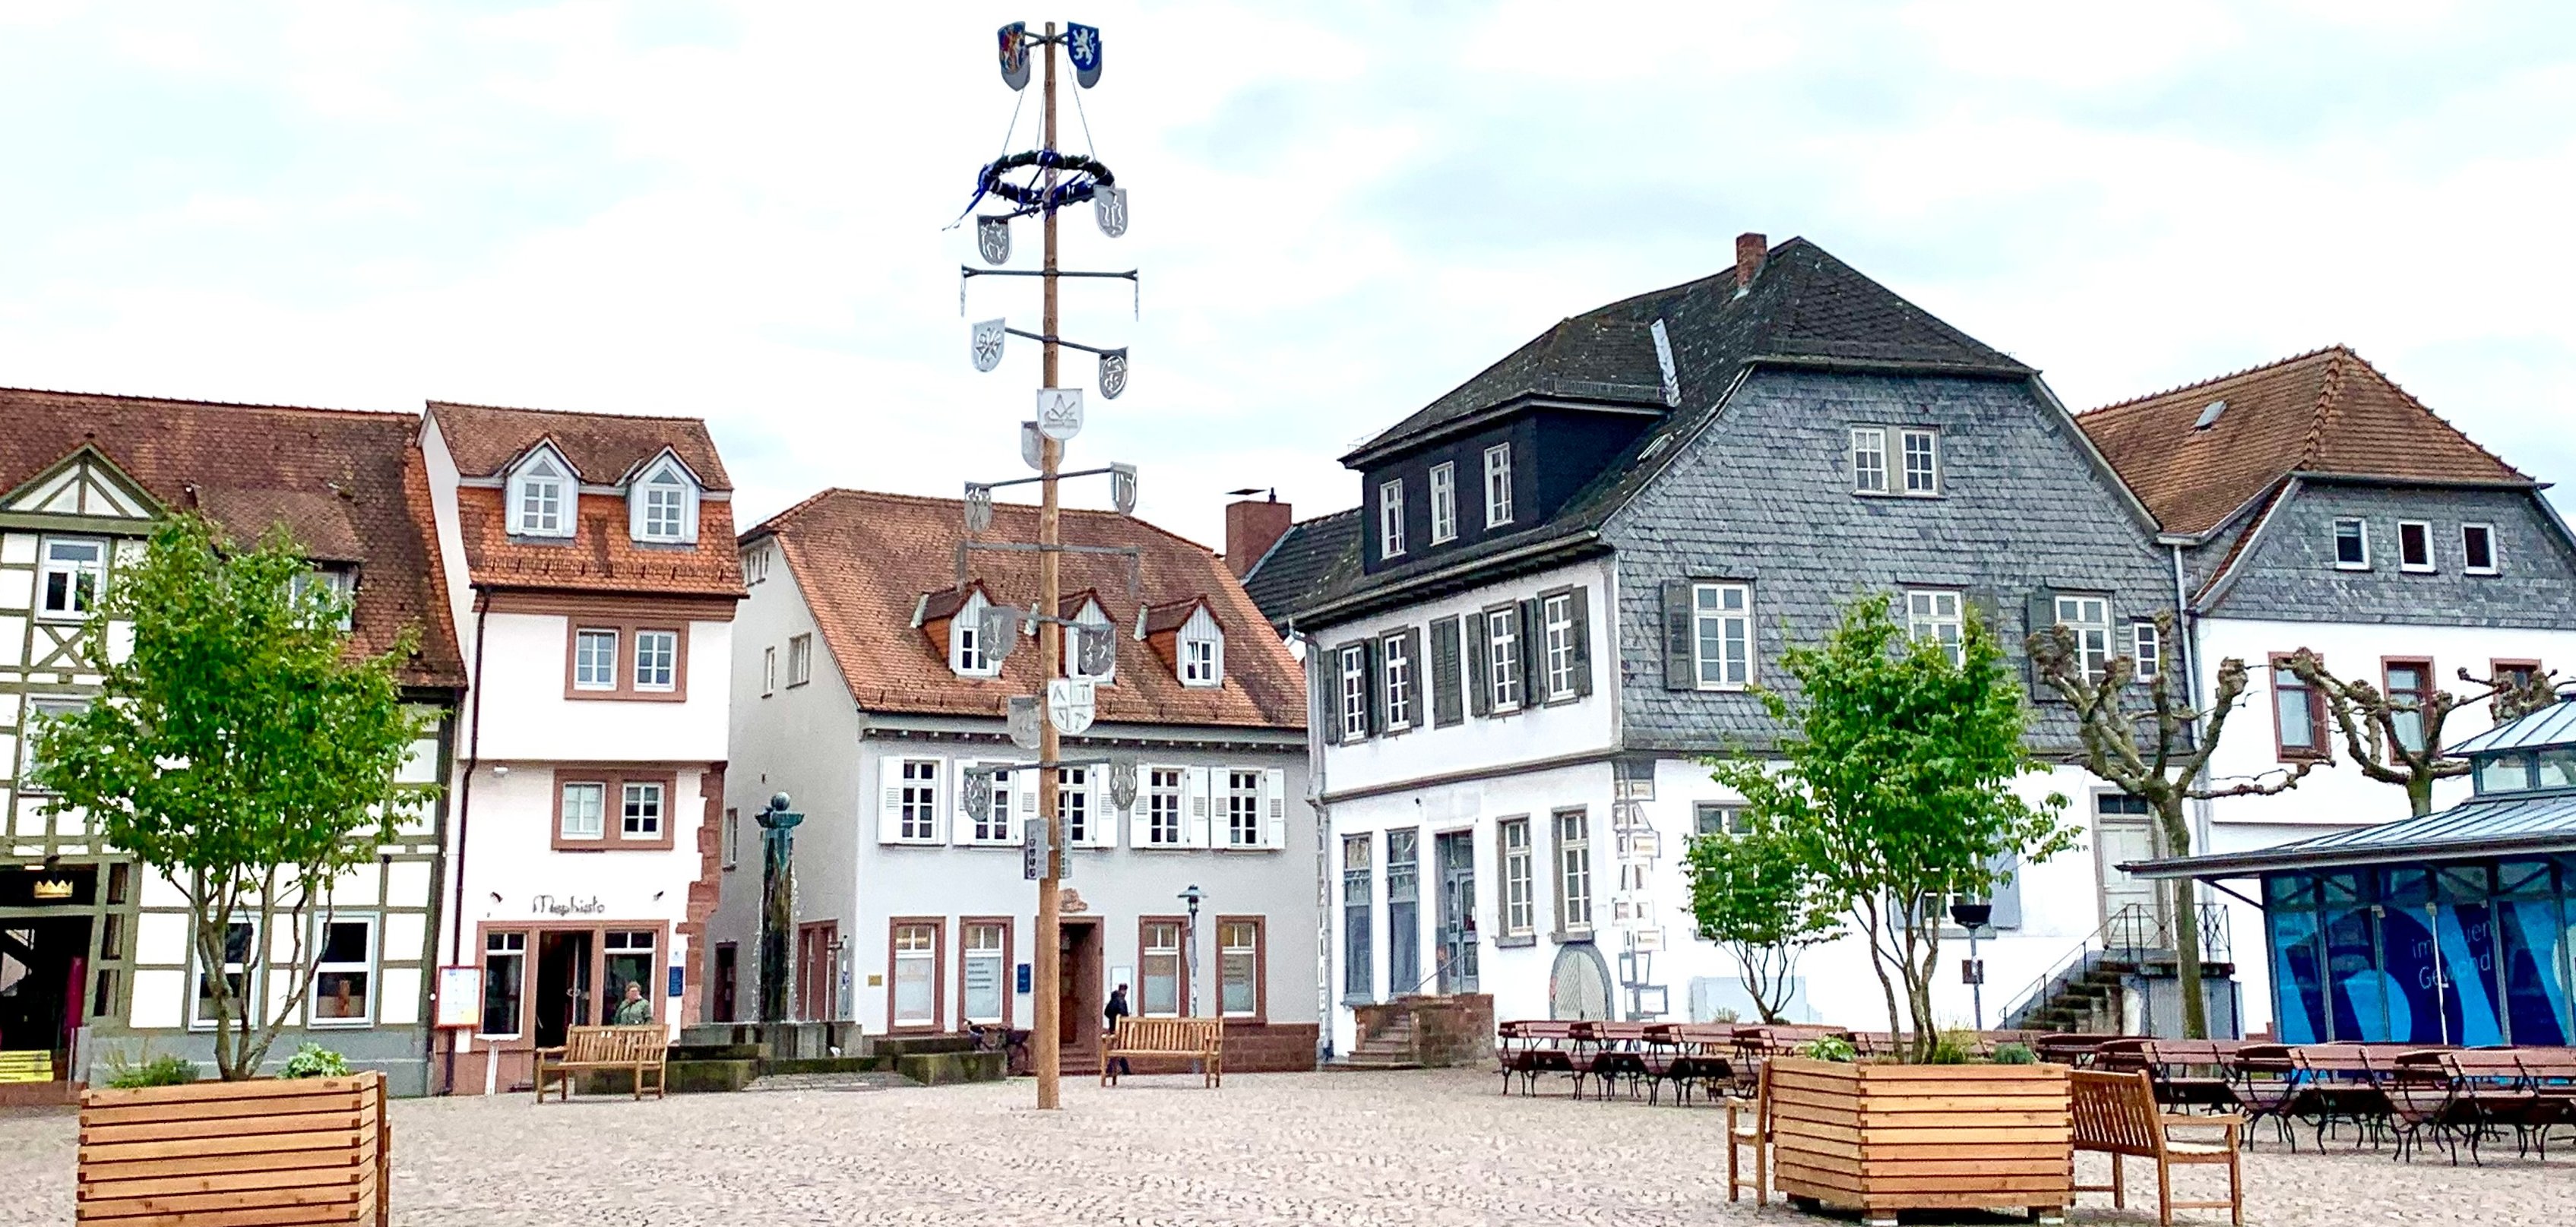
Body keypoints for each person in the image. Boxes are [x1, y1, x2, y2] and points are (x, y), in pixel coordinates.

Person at [1102, 984, 1131, 1077]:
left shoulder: (1113, 1000)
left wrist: (1112, 1019)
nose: (1125, 992)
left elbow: (1106, 1012)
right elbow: (1124, 1015)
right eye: (1124, 990)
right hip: (1119, 1029)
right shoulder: (1121, 1001)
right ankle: (1110, 1070)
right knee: (1117, 1049)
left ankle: (1123, 1069)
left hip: (1112, 1028)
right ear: (1123, 991)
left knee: (1117, 1048)